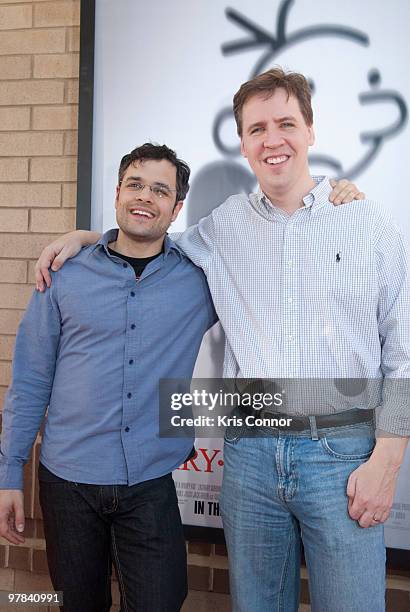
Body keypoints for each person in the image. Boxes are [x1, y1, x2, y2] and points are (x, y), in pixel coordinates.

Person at [32, 69, 395, 612]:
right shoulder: (225, 225)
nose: (272, 139)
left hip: (340, 457)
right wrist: (87, 238)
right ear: (244, 142)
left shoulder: (368, 223)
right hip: (248, 457)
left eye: (286, 124)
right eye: (257, 128)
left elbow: (403, 347)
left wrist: (387, 461)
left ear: (311, 132)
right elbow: (151, 237)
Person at [0, 143, 218, 612]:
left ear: (177, 207)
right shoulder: (63, 274)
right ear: (118, 192)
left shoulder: (199, 282)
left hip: (149, 481)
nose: (145, 197)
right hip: (67, 482)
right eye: (135, 184)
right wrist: (7, 475)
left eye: (160, 190)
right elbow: (32, 379)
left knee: (160, 603)